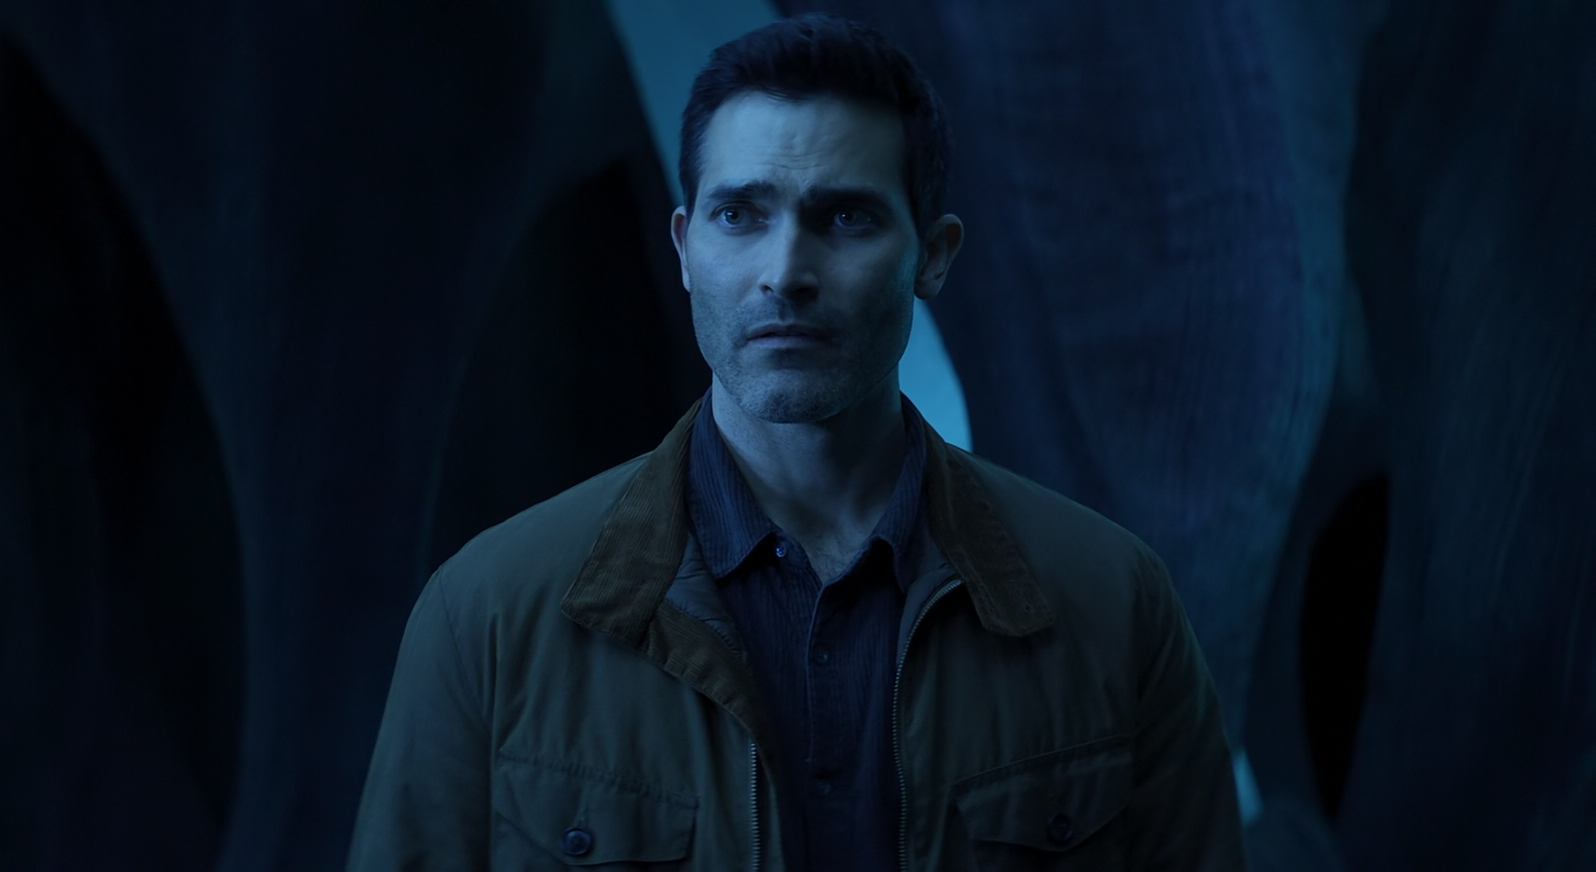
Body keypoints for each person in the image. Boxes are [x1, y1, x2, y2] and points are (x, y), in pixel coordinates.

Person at [346, 13, 1245, 871]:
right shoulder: (488, 618)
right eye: (740, 215)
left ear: (933, 256)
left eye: (845, 217)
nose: (785, 274)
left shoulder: (1112, 605)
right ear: (685, 247)